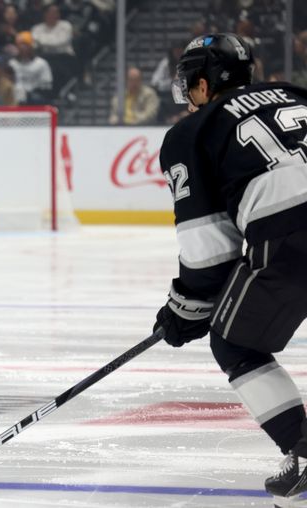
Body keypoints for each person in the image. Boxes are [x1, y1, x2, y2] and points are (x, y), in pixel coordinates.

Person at [152, 33, 307, 502]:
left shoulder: (192, 131)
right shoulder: (296, 94)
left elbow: (208, 251)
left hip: (292, 233)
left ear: (202, 84)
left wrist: (185, 311)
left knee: (236, 341)